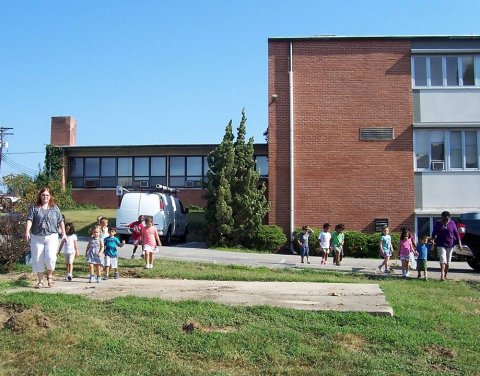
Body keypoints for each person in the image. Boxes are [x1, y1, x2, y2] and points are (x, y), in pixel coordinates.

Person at [24, 187, 66, 289]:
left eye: (47, 195)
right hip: (37, 237)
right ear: (40, 196)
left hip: (51, 236)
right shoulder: (34, 208)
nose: (45, 197)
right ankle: (40, 281)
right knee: (38, 259)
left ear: (50, 196)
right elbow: (30, 219)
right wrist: (27, 231)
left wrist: (64, 233)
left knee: (51, 257)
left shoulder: (55, 208)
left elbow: (60, 221)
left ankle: (50, 275)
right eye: (43, 195)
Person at [431, 211, 462, 281]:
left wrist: (460, 244)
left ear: (449, 218)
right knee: (443, 260)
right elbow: (434, 233)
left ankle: (445, 275)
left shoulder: (452, 223)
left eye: (447, 219)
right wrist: (433, 240)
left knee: (448, 262)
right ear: (442, 218)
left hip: (450, 244)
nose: (446, 220)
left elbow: (456, 234)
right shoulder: (437, 223)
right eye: (444, 219)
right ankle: (442, 275)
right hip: (440, 244)